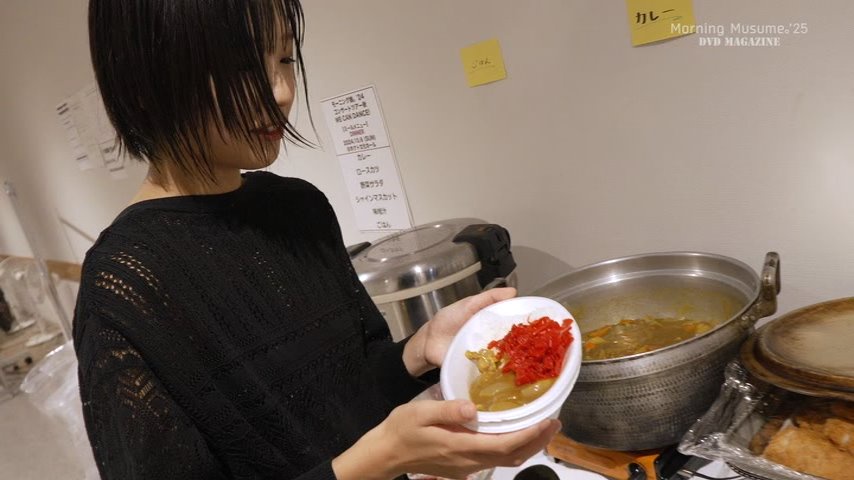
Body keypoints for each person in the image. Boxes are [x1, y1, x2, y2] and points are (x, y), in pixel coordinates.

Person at [74, 1, 560, 479]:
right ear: (144, 81)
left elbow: (350, 388)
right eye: (241, 65)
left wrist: (418, 350)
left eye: (285, 57)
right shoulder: (123, 288)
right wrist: (383, 459)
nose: (282, 91)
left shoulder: (299, 208)